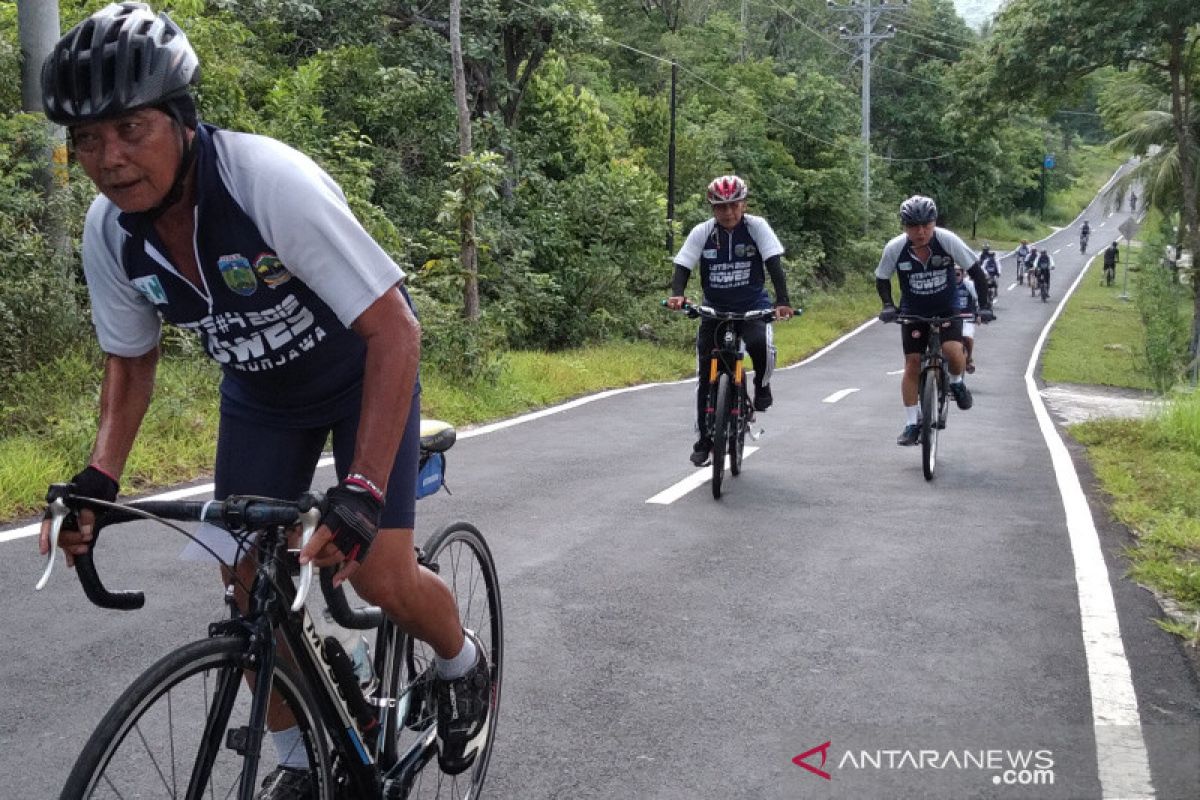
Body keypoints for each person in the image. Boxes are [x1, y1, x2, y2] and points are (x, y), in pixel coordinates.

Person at [35, 3, 491, 794]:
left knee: (379, 575)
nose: (108, 159)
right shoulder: (109, 231)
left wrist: (360, 493)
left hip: (361, 376)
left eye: (131, 129)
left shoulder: (266, 183)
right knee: (244, 584)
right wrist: (101, 479)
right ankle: (302, 762)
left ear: (181, 120)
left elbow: (397, 333)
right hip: (259, 396)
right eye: (86, 140)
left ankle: (462, 661)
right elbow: (130, 360)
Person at [667, 175, 795, 466]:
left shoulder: (756, 227)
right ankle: (703, 439)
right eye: (721, 207)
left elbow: (773, 262)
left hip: (752, 306)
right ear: (712, 208)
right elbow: (683, 264)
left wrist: (783, 301)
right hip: (715, 309)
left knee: (759, 344)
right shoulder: (703, 232)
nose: (728, 212)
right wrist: (678, 295)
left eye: (734, 205)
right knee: (705, 373)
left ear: (743, 204)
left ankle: (761, 387)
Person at [876, 195, 994, 447]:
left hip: (946, 307)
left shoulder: (947, 240)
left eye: (926, 226)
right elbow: (882, 277)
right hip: (914, 309)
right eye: (913, 226)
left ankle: (957, 383)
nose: (920, 232)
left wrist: (984, 306)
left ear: (934, 222)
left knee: (952, 351)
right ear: (904, 226)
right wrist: (888, 305)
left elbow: (976, 272)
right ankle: (911, 423)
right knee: (912, 363)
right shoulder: (895, 248)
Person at [953, 266, 980, 373]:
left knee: (968, 337)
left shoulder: (969, 285)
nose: (955, 277)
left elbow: (976, 299)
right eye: (953, 274)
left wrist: (978, 314)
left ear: (963, 274)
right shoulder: (948, 285)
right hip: (951, 318)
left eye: (957, 274)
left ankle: (968, 359)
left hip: (967, 317)